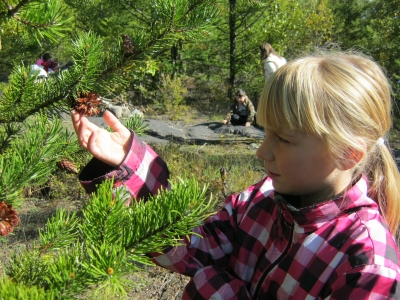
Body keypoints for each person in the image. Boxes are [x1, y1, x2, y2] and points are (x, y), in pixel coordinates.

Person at [72, 51, 400, 299]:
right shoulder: (257, 202)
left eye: (283, 139)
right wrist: (130, 165)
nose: (262, 152)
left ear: (348, 154)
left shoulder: (366, 265)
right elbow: (188, 249)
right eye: (266, 133)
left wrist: (221, 290)